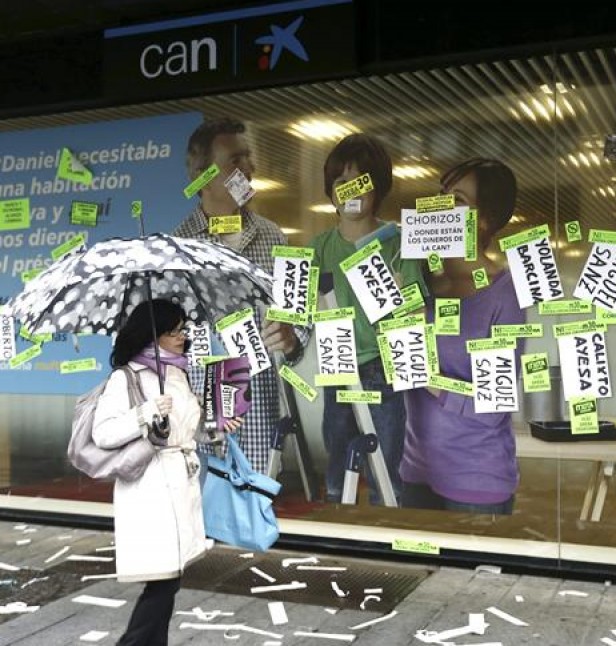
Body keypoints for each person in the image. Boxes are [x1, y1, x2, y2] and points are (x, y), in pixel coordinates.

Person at [92, 299, 241, 645]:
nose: (182, 337)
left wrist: (218, 427)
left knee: (169, 577)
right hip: (150, 489)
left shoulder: (177, 372)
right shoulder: (125, 377)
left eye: (183, 330)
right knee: (162, 579)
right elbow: (104, 433)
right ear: (154, 334)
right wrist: (144, 413)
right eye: (175, 331)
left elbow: (188, 429)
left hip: (181, 481)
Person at [174, 117, 310, 474]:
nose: (249, 168)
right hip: (199, 431)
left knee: (257, 526)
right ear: (202, 176)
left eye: (249, 158)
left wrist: (292, 339)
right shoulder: (177, 250)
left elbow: (301, 319)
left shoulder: (273, 237)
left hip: (262, 426)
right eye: (236, 160)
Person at [400, 158, 524, 514]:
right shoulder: (419, 283)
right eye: (440, 197)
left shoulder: (505, 294)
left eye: (456, 201)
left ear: (485, 220)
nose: (440, 209)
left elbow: (492, 404)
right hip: (415, 471)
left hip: (476, 482)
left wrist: (429, 379)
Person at [311, 133, 425, 504]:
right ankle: (335, 546)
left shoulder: (399, 243)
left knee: (385, 477)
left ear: (379, 187)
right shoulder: (318, 249)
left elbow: (416, 315)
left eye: (361, 181)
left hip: (385, 369)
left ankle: (387, 545)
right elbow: (295, 314)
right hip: (336, 367)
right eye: (341, 182)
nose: (350, 191)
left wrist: (399, 298)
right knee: (335, 475)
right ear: (330, 190)